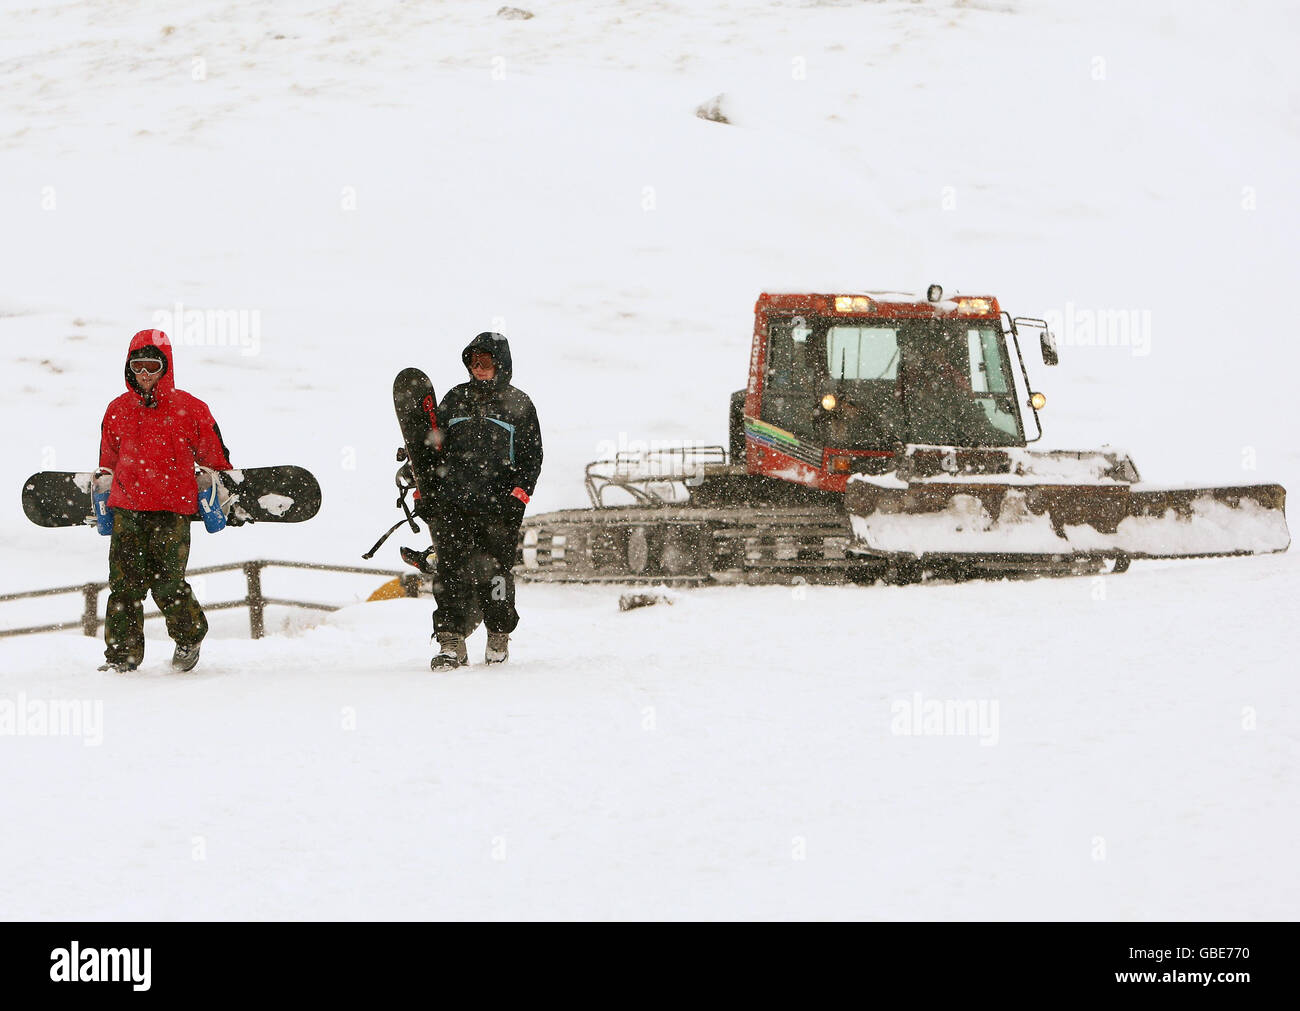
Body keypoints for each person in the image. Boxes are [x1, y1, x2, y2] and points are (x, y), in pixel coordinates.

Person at [97, 329, 233, 673]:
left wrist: (212, 479)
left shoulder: (192, 408)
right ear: (129, 368)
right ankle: (121, 660)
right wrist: (104, 485)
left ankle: (189, 637)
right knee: (124, 587)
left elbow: (216, 458)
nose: (144, 374)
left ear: (165, 367)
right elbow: (107, 459)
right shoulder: (117, 409)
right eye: (137, 366)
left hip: (173, 510)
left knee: (167, 584)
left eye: (152, 366)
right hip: (127, 507)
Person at [426, 332, 542, 670]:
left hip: (498, 509)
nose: (478, 369)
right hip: (453, 505)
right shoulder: (454, 399)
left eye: (486, 362)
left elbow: (532, 458)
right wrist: (427, 492)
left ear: (500, 364)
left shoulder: (519, 405)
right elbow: (432, 450)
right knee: (449, 572)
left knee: (496, 576)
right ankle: (450, 641)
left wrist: (517, 499)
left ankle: (497, 634)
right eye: (473, 362)